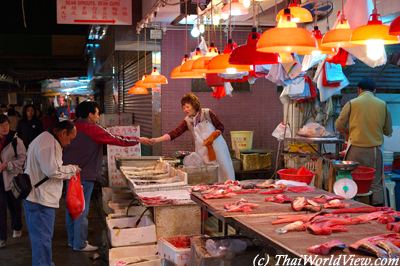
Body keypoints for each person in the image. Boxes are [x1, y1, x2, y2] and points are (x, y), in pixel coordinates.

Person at [63, 101, 151, 252]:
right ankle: (80, 243)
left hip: (68, 173)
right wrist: (137, 140)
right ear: (90, 115)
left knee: (71, 207)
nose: (98, 117)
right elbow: (115, 139)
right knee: (81, 209)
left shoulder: (71, 126)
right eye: (97, 114)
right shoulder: (92, 128)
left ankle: (72, 240)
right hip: (85, 175)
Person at [24, 120, 79, 266]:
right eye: (70, 139)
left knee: (40, 240)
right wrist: (72, 169)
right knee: (42, 241)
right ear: (62, 133)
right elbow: (52, 170)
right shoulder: (50, 144)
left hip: (35, 197)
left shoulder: (43, 137)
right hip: (41, 200)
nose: (69, 143)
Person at [150, 93, 235, 181]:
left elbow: (220, 127)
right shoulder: (188, 120)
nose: (185, 110)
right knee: (208, 175)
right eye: (183, 108)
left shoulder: (207, 113)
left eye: (187, 107)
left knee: (224, 173)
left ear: (194, 105)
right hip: (202, 151)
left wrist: (213, 137)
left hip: (218, 149)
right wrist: (156, 140)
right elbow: (175, 133)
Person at [335, 78, 393, 205]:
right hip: (374, 152)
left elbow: (338, 125)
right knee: (375, 183)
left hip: (354, 150)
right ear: (374, 91)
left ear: (359, 90)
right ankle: (377, 211)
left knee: (351, 180)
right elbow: (388, 131)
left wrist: (348, 133)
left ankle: (350, 207)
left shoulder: (351, 103)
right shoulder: (382, 104)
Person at [0, 115, 26, 248]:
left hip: (12, 177)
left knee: (14, 205)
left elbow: (22, 159)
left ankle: (17, 226)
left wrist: (6, 165)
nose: (4, 128)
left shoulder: (16, 140)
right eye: (1, 125)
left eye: (6, 124)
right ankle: (2, 237)